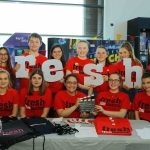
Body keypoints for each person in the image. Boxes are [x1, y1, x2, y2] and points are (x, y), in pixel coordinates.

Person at [115, 42, 143, 119]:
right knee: (121, 110)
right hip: (121, 89)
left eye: (125, 52)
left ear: (130, 52)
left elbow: (141, 78)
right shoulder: (118, 64)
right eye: (121, 53)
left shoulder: (137, 63)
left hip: (133, 90)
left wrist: (136, 85)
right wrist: (122, 85)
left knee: (132, 111)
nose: (122, 55)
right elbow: (115, 78)